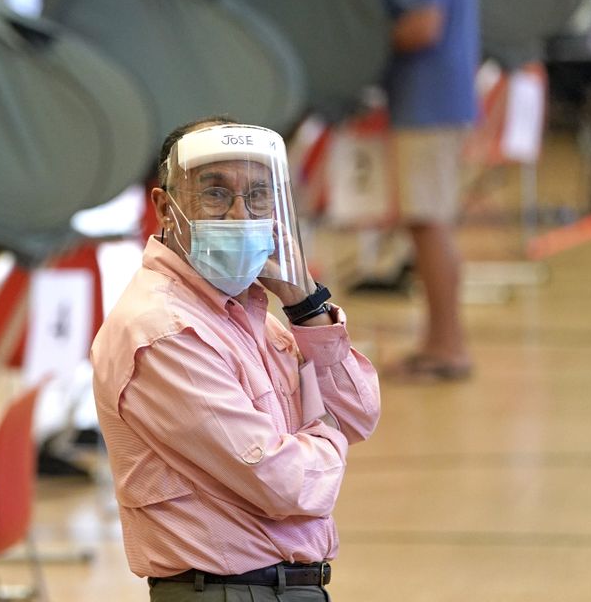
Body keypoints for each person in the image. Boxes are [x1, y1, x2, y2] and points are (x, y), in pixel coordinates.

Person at [91, 118, 380, 601]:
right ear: (166, 208)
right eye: (216, 194)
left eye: (259, 196)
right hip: (227, 593)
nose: (240, 215)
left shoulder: (251, 311)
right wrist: (324, 431)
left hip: (285, 589)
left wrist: (306, 304)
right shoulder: (163, 330)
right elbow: (290, 486)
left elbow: (359, 413)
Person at [337, 0, 480, 381]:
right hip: (438, 102)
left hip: (430, 105)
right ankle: (439, 343)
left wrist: (360, 50)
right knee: (428, 222)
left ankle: (448, 349)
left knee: (428, 222)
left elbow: (422, 27)